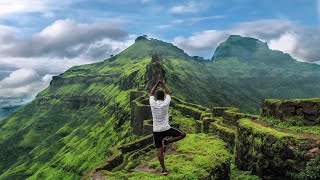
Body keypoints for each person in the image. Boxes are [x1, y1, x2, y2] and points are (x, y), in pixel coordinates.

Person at [149, 75, 186, 176]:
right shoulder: (166, 103)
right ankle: (167, 141)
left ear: (156, 97)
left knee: (159, 150)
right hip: (166, 128)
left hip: (156, 130)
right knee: (183, 134)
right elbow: (169, 92)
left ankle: (164, 169)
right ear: (163, 96)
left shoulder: (152, 103)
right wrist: (163, 83)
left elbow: (151, 93)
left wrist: (157, 83)